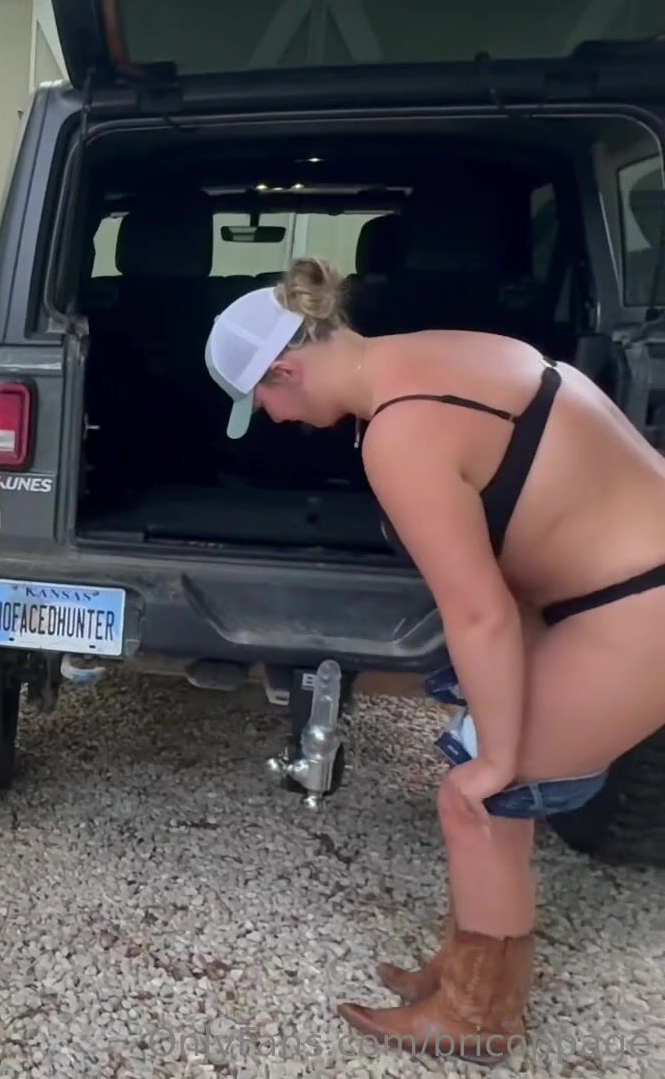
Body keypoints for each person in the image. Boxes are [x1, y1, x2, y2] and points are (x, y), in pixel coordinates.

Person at [203, 257, 665, 1064]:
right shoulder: (438, 351)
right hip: (619, 587)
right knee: (490, 775)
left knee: (480, 794)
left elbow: (479, 612)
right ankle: (466, 970)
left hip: (638, 603)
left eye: (265, 401)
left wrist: (496, 757)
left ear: (285, 368)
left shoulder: (401, 432)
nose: (274, 419)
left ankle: (478, 1017)